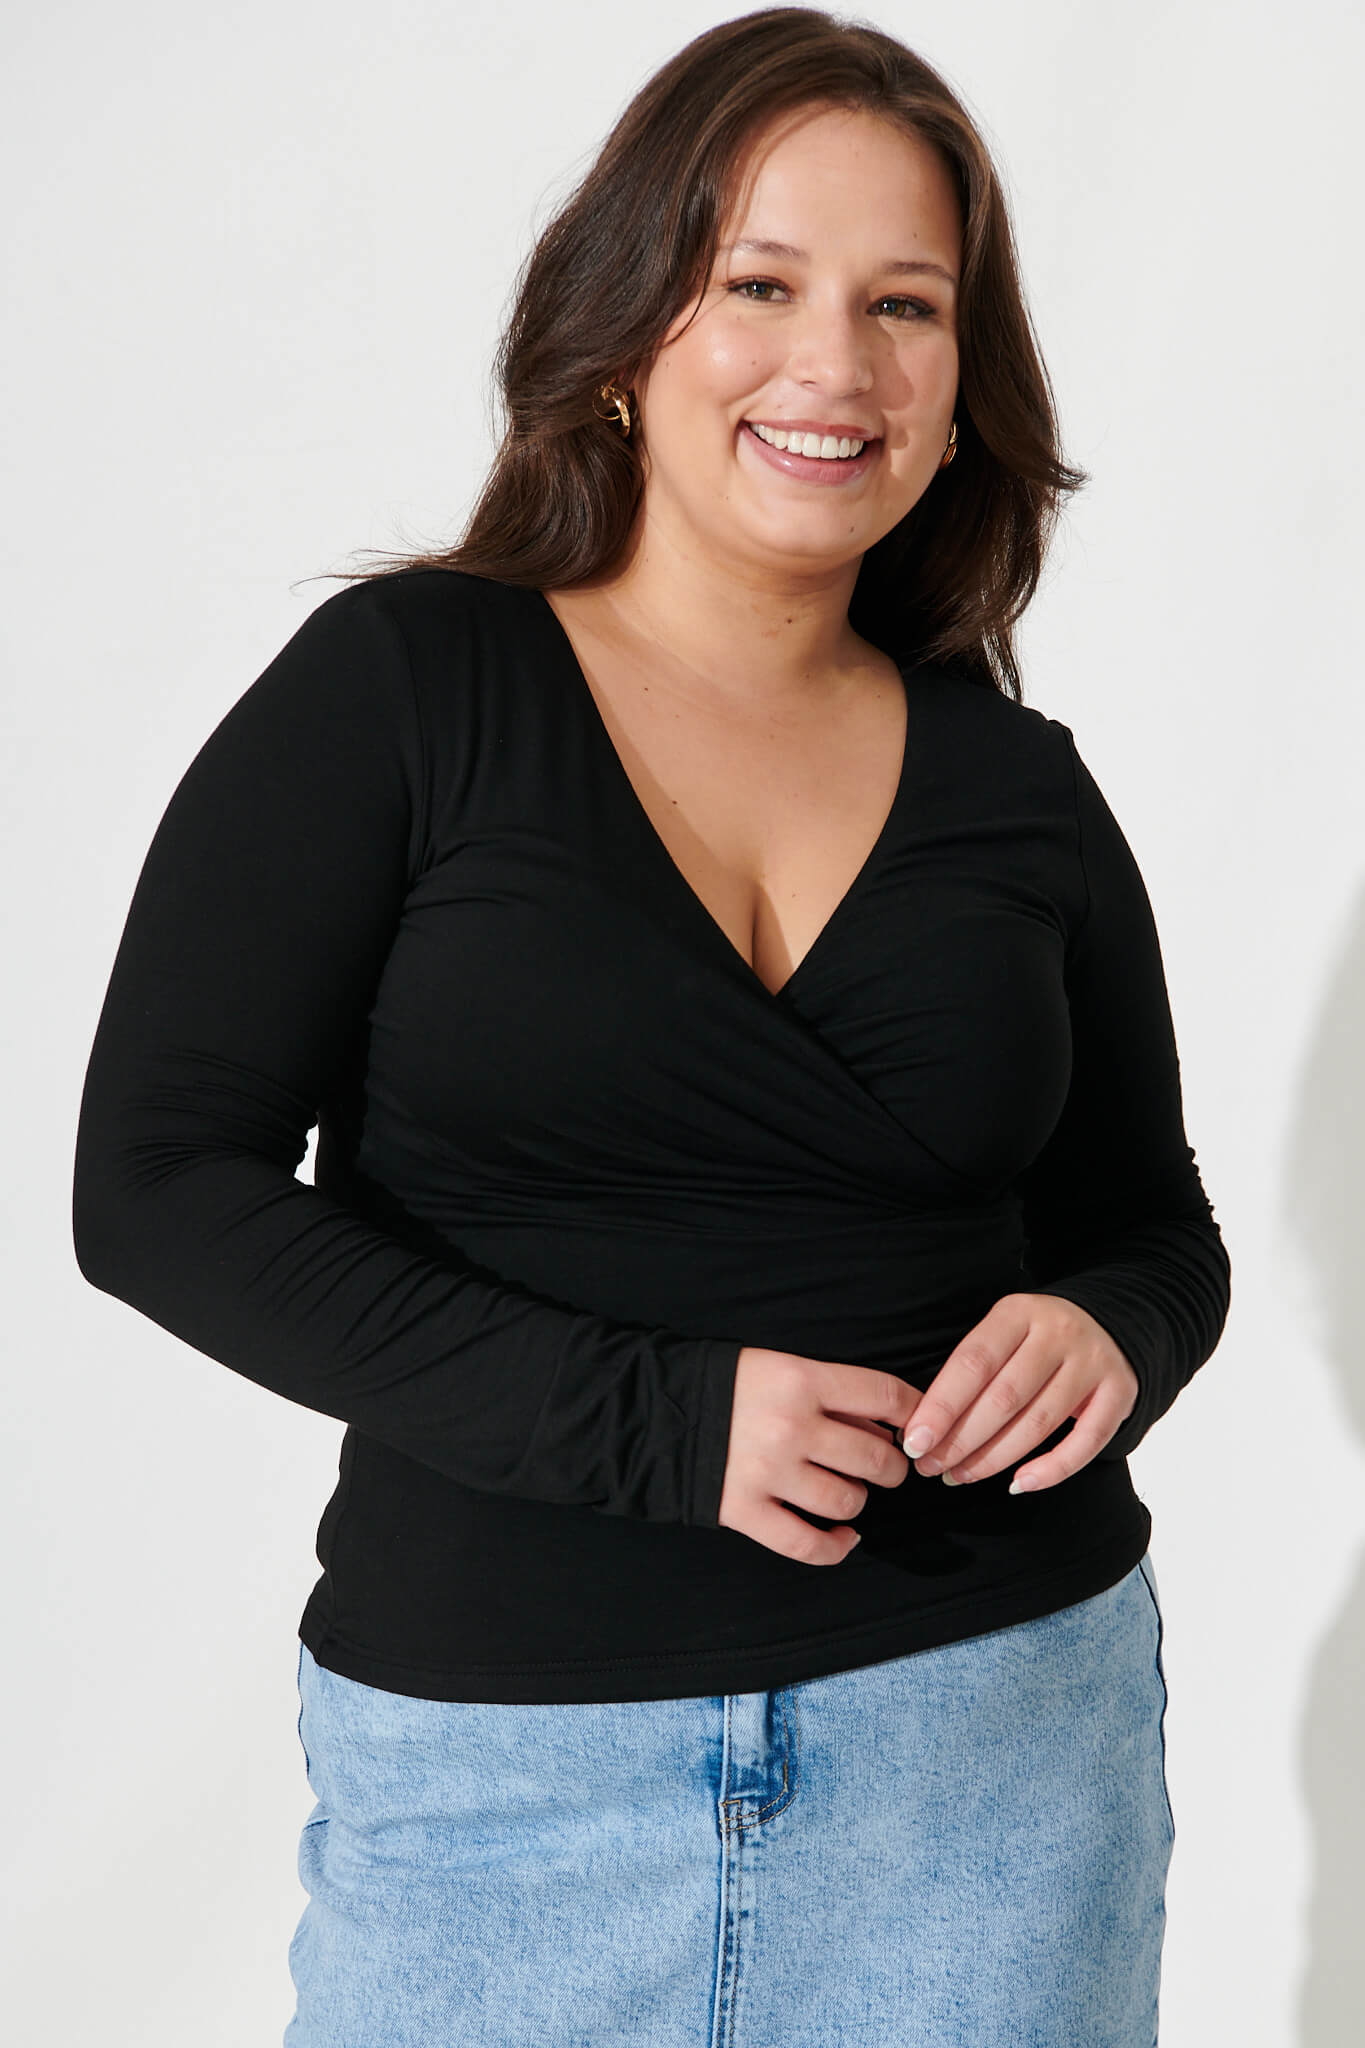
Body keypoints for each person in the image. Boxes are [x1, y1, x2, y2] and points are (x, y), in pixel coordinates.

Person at [71, 9, 1231, 2045]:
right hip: (500, 1785)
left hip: (991, 1758)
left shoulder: (1016, 787)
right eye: (757, 284)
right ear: (621, 332)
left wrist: (1106, 1328)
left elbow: (1150, 1224)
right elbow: (157, 1188)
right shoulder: (406, 687)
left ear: (960, 383)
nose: (832, 363)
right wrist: (659, 1421)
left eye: (903, 305)